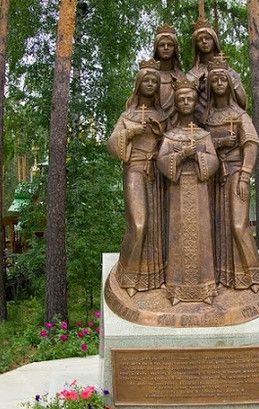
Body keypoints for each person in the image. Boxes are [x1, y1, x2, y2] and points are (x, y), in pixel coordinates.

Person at [106, 59, 167, 297]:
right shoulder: (127, 115)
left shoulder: (162, 115)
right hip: (134, 170)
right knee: (139, 224)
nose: (150, 84)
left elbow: (173, 143)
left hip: (157, 173)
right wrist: (131, 131)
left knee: (156, 226)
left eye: (154, 81)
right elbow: (112, 144)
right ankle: (128, 275)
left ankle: (155, 277)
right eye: (146, 80)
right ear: (138, 84)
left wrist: (161, 134)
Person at [157, 78, 219, 305]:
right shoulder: (170, 136)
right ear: (175, 102)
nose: (185, 102)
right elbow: (161, 161)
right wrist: (182, 155)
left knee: (201, 235)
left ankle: (205, 289)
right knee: (178, 235)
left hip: (200, 190)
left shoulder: (204, 135)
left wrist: (197, 155)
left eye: (189, 98)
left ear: (195, 102)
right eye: (181, 98)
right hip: (177, 190)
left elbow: (214, 161)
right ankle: (177, 288)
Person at [204, 56, 259, 292]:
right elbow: (201, 145)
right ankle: (225, 275)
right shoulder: (206, 118)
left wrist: (245, 175)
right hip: (213, 177)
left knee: (239, 225)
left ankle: (253, 274)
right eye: (214, 80)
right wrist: (218, 143)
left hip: (236, 172)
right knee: (217, 226)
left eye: (223, 79)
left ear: (229, 83)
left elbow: (251, 143)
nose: (219, 83)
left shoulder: (240, 115)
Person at [187, 18, 246, 125]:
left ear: (214, 41)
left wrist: (232, 81)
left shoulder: (229, 71)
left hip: (228, 120)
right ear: (196, 45)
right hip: (200, 123)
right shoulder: (192, 74)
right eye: (200, 40)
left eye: (207, 38)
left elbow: (242, 101)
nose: (204, 42)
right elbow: (187, 104)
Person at [153, 24, 184, 115]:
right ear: (156, 48)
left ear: (175, 48)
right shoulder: (150, 76)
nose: (166, 48)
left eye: (170, 45)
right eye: (162, 45)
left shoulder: (181, 77)